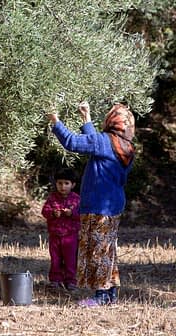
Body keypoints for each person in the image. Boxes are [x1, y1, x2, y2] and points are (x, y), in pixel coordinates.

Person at [47, 101, 135, 307]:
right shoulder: (125, 146)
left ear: (112, 122)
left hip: (97, 206)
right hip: (113, 206)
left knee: (98, 250)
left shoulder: (105, 142)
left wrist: (55, 120)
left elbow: (72, 142)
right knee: (107, 249)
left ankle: (101, 296)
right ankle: (111, 293)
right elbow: (95, 143)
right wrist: (86, 118)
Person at [41, 168, 80, 292]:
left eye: (66, 183)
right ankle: (55, 281)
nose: (63, 186)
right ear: (56, 184)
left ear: (73, 184)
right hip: (55, 235)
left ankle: (70, 281)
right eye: (60, 183)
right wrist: (53, 213)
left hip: (71, 236)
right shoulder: (52, 198)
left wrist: (72, 213)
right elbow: (44, 211)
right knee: (55, 259)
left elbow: (82, 214)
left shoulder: (76, 199)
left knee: (70, 259)